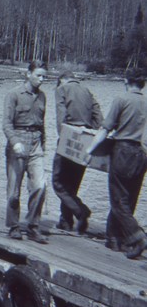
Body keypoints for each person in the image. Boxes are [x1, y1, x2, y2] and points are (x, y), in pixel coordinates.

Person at [86, 72, 147, 259]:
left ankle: (138, 236)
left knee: (118, 199)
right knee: (130, 197)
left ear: (125, 81)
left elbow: (106, 128)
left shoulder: (121, 99)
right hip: (142, 153)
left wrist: (90, 150)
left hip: (123, 151)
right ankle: (114, 239)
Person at [2, 60, 49, 244]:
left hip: (36, 142)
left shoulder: (43, 96)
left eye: (44, 76)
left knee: (40, 185)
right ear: (28, 74)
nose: (42, 79)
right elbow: (6, 124)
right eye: (38, 75)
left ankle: (33, 226)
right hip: (18, 141)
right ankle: (14, 226)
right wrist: (15, 142)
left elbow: (42, 123)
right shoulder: (13, 95)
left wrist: (43, 145)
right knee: (14, 190)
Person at [52, 71, 103, 234]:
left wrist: (63, 138)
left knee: (58, 182)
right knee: (72, 184)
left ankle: (81, 211)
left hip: (69, 136)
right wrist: (90, 134)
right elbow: (99, 119)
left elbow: (61, 117)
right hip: (86, 140)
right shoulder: (87, 90)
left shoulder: (62, 89)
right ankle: (65, 222)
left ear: (62, 80)